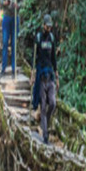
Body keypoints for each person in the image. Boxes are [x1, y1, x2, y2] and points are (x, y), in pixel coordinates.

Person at [31, 14, 59, 144]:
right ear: (43, 26)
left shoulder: (52, 39)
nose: (49, 28)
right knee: (42, 106)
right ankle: (45, 136)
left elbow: (54, 58)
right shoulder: (38, 38)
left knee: (52, 103)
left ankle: (44, 123)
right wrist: (32, 74)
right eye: (47, 26)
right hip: (41, 76)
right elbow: (34, 57)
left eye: (50, 26)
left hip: (50, 76)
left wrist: (57, 76)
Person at [0, 0, 23, 76]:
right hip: (7, 16)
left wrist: (18, 5)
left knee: (14, 43)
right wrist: (4, 2)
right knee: (5, 42)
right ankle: (3, 68)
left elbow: (22, 0)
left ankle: (14, 69)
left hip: (15, 17)